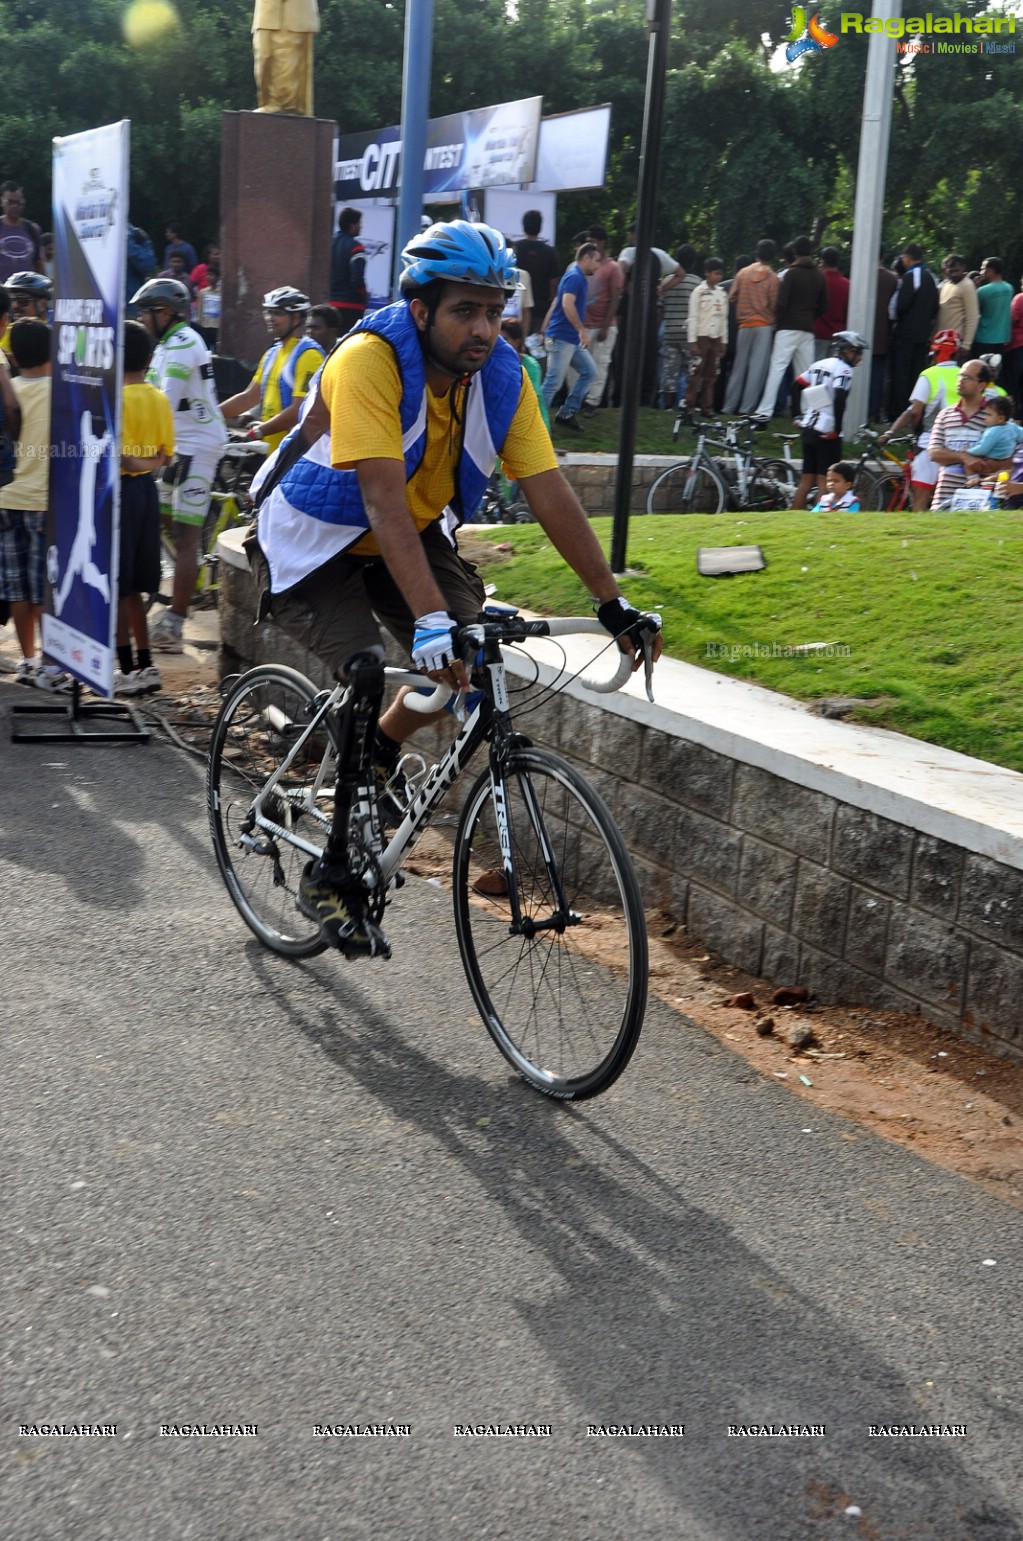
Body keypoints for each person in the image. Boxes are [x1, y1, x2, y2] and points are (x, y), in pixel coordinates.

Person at [248, 219, 660, 954]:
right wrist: (430, 616)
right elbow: (378, 498)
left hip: (406, 533)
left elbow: (548, 487)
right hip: (315, 536)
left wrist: (609, 601)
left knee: (469, 654)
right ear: (419, 310)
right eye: (463, 310)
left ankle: (372, 751)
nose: (482, 327)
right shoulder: (370, 361)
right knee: (373, 664)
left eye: (493, 309)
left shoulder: (501, 374)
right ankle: (331, 873)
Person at [132, 276, 226, 651]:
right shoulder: (167, 343)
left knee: (187, 536)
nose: (140, 320)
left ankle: (174, 624)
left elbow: (162, 404)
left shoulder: (184, 344)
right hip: (179, 444)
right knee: (167, 522)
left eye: (144, 313)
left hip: (198, 446)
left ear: (164, 312)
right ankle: (187, 586)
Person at [0, 319, 68, 689]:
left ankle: (27, 661)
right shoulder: (60, 393)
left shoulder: (6, 389)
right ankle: (49, 665)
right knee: (44, 586)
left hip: (6, 498)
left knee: (17, 587)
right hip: (43, 503)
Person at [114, 320, 175, 696]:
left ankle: (125, 669)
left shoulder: (113, 398)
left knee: (120, 586)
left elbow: (118, 456)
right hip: (147, 495)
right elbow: (166, 456)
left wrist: (134, 463)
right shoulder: (158, 397)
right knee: (135, 585)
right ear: (149, 358)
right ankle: (147, 665)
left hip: (120, 492)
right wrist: (146, 464)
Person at [219, 287, 323, 451]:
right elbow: (248, 397)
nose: (270, 318)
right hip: (270, 450)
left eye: (277, 313)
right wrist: (211, 414)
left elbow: (299, 410)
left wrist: (259, 431)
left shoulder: (309, 356)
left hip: (294, 453)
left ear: (296, 318)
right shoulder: (272, 353)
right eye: (268, 313)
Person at [882, 328, 964, 510]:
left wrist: (913, 428)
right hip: (959, 444)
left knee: (920, 498)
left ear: (934, 352)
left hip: (930, 443)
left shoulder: (929, 375)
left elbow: (915, 411)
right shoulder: (965, 375)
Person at [789, 329, 867, 509]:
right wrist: (837, 429)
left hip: (808, 426)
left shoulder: (819, 363)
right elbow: (839, 398)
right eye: (858, 352)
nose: (860, 357)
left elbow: (795, 386)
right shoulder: (844, 370)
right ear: (847, 350)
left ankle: (793, 518)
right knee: (825, 484)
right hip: (826, 430)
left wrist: (795, 415)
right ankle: (819, 521)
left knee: (806, 481)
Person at [753, 235, 827, 421]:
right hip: (807, 328)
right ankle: (811, 411)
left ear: (794, 252)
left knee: (777, 368)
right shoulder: (819, 275)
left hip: (787, 327)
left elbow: (781, 304)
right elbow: (825, 305)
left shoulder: (791, 273)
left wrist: (780, 319)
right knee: (807, 372)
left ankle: (765, 410)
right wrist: (811, 316)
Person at [928, 360, 1012, 508]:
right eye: (960, 376)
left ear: (981, 385)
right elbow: (934, 453)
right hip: (944, 498)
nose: (960, 381)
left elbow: (1013, 460)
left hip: (982, 500)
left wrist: (991, 464)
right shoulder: (945, 414)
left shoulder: (997, 417)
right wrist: (963, 456)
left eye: (967, 378)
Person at [541, 240, 601, 433]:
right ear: (586, 258)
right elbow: (567, 304)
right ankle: (535, 423)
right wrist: (581, 330)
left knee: (589, 371)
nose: (598, 265)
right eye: (596, 260)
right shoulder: (575, 277)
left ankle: (566, 413)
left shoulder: (577, 276)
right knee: (553, 383)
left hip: (569, 338)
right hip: (563, 338)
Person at [722, 240, 778, 416]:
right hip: (763, 326)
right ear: (773, 256)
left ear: (757, 253)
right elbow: (775, 305)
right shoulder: (773, 278)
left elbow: (731, 297)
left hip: (744, 325)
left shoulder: (742, 273)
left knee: (739, 367)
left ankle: (728, 407)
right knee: (757, 368)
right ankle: (746, 409)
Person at [888, 242, 939, 421]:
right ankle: (915, 412)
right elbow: (935, 307)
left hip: (905, 334)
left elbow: (900, 306)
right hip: (923, 334)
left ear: (907, 257)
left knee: (901, 373)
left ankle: (898, 412)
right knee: (917, 374)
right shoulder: (932, 276)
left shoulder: (911, 276)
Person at [580, 224, 623, 415]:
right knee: (579, 366)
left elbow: (615, 298)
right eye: (588, 241)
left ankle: (592, 403)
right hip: (583, 324)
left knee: (600, 364)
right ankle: (579, 399)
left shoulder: (613, 268)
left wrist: (605, 326)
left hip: (603, 325)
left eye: (593, 241)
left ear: (602, 242)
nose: (590, 244)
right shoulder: (584, 264)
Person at [252, 0, 320, 115]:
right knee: (263, 57)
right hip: (267, 10)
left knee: (286, 60)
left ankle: (282, 104)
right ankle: (270, 103)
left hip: (294, 11)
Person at [685, 258, 728, 414]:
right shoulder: (698, 292)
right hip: (701, 337)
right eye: (715, 273)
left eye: (720, 274)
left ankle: (707, 407)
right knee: (697, 372)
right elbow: (693, 317)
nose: (718, 277)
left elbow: (723, 319)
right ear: (707, 273)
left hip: (715, 338)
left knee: (711, 374)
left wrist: (723, 341)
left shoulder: (722, 294)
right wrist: (692, 342)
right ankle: (689, 406)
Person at [513, 210, 561, 329]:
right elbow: (553, 283)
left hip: (517, 306)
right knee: (537, 345)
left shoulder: (515, 248)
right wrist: (552, 305)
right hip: (541, 307)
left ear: (523, 226)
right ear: (540, 227)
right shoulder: (549, 252)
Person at [960, 396, 1023, 483]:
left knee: (968, 463)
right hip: (1006, 460)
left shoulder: (993, 431)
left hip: (991, 459)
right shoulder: (1012, 426)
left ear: (1000, 418)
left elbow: (982, 449)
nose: (985, 417)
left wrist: (968, 451)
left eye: (989, 415)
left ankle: (973, 482)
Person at [329, 207, 368, 334]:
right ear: (352, 225)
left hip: (330, 305)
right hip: (351, 306)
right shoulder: (355, 246)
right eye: (359, 223)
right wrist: (364, 295)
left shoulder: (329, 244)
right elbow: (357, 279)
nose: (361, 226)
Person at [936, 254, 978, 357]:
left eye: (956, 270)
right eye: (950, 271)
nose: (954, 274)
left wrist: (966, 344)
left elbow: (972, 316)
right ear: (945, 270)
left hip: (956, 343)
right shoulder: (945, 284)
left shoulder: (967, 286)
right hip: (941, 341)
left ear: (963, 268)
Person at [0, 183, 43, 284]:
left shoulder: (32, 229)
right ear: (2, 201)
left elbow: (39, 262)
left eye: (18, 202)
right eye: (10, 202)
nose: (15, 206)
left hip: (27, 294)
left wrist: (43, 290)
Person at [973, 257, 1013, 362]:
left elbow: (974, 312)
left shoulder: (982, 291)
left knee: (981, 370)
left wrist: (974, 287)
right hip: (1002, 338)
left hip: (984, 338)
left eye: (982, 269)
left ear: (990, 270)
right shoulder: (1009, 288)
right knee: (995, 369)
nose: (981, 272)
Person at [813, 248, 850, 360]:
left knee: (817, 370)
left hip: (818, 332)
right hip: (839, 333)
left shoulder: (817, 281)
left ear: (822, 261)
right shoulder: (847, 284)